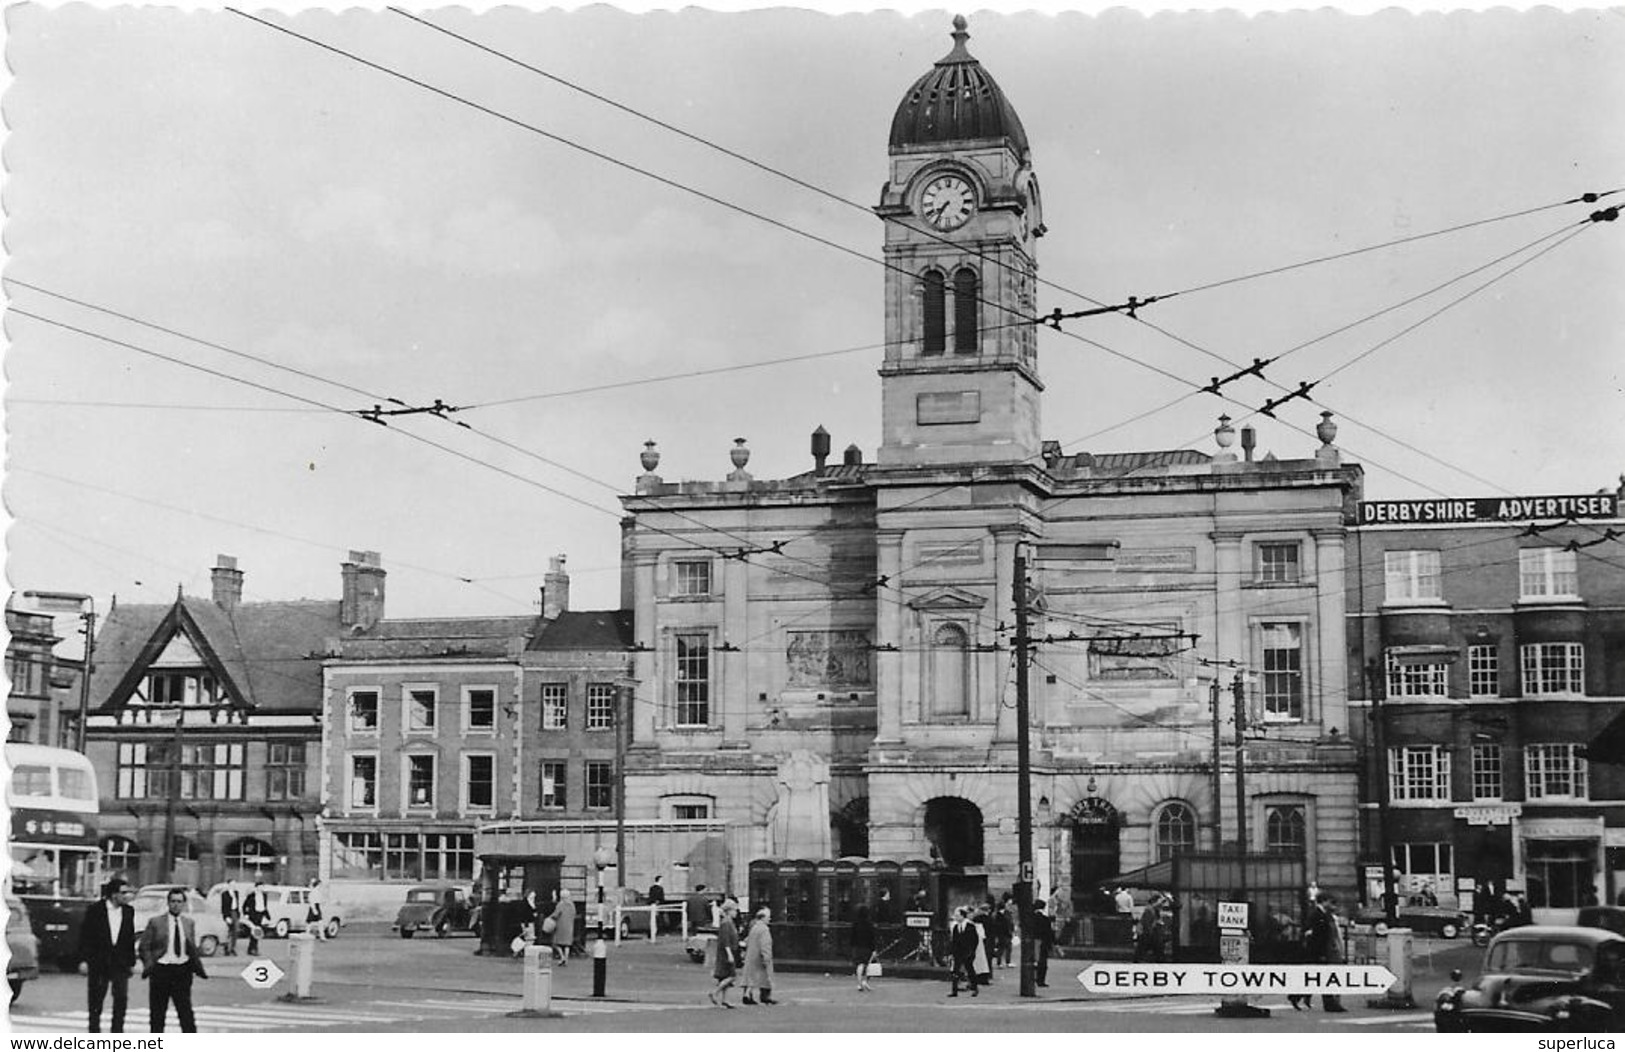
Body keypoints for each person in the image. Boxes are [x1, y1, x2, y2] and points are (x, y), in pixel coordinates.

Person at [138, 887, 209, 1033]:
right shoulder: (156, 922)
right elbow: (144, 946)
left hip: (182, 970)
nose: (176, 905)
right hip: (161, 970)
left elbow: (191, 946)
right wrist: (150, 964)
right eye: (173, 901)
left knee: (186, 1013)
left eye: (179, 902)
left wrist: (195, 966)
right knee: (158, 1014)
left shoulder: (188, 923)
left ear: (184, 904)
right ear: (168, 903)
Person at [78, 878, 137, 1033]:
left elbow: (129, 937)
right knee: (96, 1000)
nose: (127, 896)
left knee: (121, 999)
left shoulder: (128, 911)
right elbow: (85, 937)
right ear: (113, 894)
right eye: (123, 893)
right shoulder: (95, 910)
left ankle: (117, 1032)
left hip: (120, 963)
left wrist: (131, 962)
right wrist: (84, 960)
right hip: (99, 962)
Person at [1304, 892, 1347, 1013]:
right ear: (1324, 901)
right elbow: (1315, 934)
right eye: (1329, 901)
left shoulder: (1325, 914)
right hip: (1319, 951)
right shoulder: (1316, 914)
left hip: (1325, 950)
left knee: (1321, 977)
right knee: (1321, 977)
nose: (1331, 904)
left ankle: (1327, 1002)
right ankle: (1329, 1004)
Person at [741, 907, 776, 1005]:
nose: (769, 919)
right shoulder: (764, 929)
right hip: (759, 958)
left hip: (751, 955)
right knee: (766, 977)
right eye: (768, 917)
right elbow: (765, 945)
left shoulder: (754, 927)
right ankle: (765, 996)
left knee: (750, 977)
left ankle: (747, 995)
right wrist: (767, 957)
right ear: (763, 918)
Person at [708, 900, 741, 1008]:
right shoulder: (726, 923)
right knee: (732, 976)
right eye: (734, 910)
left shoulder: (728, 922)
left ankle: (725, 999)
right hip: (727, 952)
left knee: (725, 977)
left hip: (729, 951)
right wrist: (729, 954)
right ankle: (715, 992)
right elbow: (725, 940)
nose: (736, 912)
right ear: (729, 911)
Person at [947, 907, 979, 997]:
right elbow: (954, 941)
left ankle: (975, 988)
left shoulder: (970, 926)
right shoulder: (956, 927)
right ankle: (954, 990)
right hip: (958, 953)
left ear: (962, 916)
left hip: (968, 952)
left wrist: (972, 951)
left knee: (970, 970)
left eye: (957, 916)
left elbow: (975, 940)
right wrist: (952, 952)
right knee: (955, 971)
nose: (956, 918)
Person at [546, 888, 576, 965]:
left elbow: (556, 914)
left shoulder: (560, 904)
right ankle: (566, 959)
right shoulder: (572, 905)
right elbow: (574, 914)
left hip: (561, 926)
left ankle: (562, 957)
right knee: (567, 944)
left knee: (555, 943)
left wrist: (548, 918)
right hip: (569, 926)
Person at [851, 903, 877, 992]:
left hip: (857, 946)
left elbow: (852, 936)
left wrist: (852, 945)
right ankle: (865, 981)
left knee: (859, 965)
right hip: (867, 947)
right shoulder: (869, 924)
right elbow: (872, 937)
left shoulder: (855, 923)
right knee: (868, 965)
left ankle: (859, 984)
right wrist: (874, 949)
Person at [1134, 895, 1166, 962]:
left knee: (1143, 950)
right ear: (1155, 901)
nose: (1162, 904)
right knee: (1143, 950)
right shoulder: (1149, 910)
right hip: (1147, 934)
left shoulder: (1154, 910)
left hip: (1148, 934)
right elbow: (1147, 924)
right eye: (1160, 901)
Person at [1032, 899, 1056, 987]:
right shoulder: (1045, 919)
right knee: (1042, 963)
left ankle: (1032, 978)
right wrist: (1052, 944)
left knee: (1033, 961)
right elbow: (1049, 933)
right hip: (1042, 943)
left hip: (1033, 942)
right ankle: (1040, 980)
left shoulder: (1031, 918)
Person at [241, 880, 269, 956]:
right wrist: (246, 914)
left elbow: (265, 907)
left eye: (263, 886)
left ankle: (254, 948)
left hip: (260, 915)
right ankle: (252, 949)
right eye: (260, 886)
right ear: (256, 887)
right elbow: (244, 905)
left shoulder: (264, 896)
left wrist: (267, 916)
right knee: (254, 932)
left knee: (258, 932)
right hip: (253, 915)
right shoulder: (251, 896)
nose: (262, 888)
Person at [217, 883, 241, 957]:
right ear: (228, 885)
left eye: (234, 884)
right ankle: (226, 948)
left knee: (235, 932)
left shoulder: (236, 893)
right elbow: (223, 906)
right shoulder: (225, 894)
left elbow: (237, 903)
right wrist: (226, 916)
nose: (233, 886)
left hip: (235, 913)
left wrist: (238, 913)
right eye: (232, 884)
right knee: (228, 932)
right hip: (228, 913)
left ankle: (233, 948)